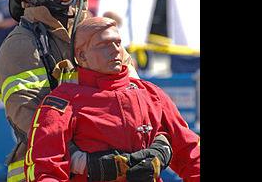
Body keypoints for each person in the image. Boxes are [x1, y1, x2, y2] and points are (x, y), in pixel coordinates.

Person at [0, 0, 140, 182]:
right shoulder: (21, 45)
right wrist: (81, 160)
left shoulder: (97, 31)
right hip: (49, 171)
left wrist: (156, 139)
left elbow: (136, 93)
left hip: (112, 164)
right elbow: (29, 116)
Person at [24, 17, 200, 182]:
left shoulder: (151, 94)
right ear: (82, 56)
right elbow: (45, 168)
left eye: (117, 43)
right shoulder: (62, 101)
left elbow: (191, 155)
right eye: (104, 45)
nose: (115, 50)